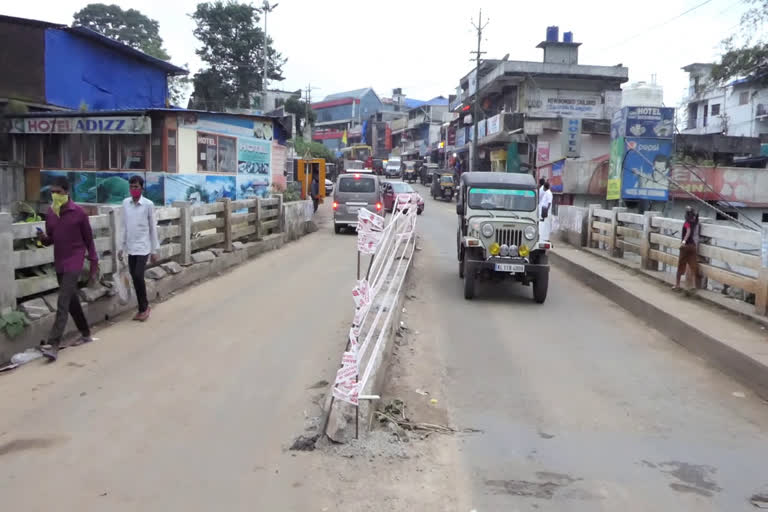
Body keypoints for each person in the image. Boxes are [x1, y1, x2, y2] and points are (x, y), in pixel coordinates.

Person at [37, 177, 98, 361]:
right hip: (60, 262)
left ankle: (53, 345)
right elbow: (51, 240)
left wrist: (93, 262)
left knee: (62, 301)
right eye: (52, 192)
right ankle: (86, 332)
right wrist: (42, 238)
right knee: (71, 301)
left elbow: (89, 240)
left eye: (58, 192)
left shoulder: (79, 213)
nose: (55, 195)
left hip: (75, 261)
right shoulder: (51, 213)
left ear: (67, 192)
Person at [119, 175, 159, 321]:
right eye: (131, 187)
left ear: (142, 188)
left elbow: (152, 228)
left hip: (143, 247)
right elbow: (123, 226)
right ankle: (142, 307)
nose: (133, 189)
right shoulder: (125, 203)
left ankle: (144, 307)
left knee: (137, 275)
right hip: (131, 247)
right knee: (134, 278)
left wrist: (154, 251)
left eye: (136, 187)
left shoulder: (148, 204)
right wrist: (121, 247)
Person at [675, 206, 700, 291]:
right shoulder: (695, 222)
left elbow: (688, 231)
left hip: (685, 247)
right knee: (693, 266)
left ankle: (677, 285)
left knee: (681, 265)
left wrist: (683, 242)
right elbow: (696, 217)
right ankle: (693, 285)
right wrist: (696, 214)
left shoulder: (687, 222)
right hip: (693, 246)